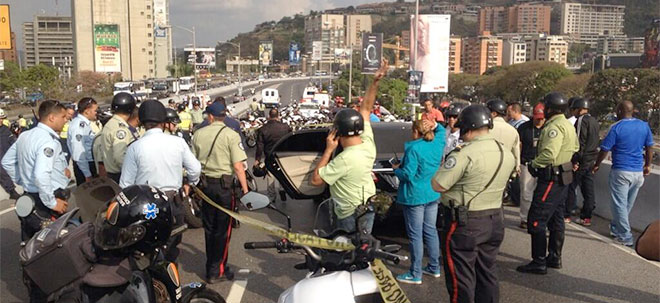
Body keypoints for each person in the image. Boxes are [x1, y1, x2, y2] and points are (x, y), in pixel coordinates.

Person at [432, 104, 516, 303]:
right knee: (487, 273)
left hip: (465, 222)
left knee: (460, 278)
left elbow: (438, 184)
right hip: (495, 219)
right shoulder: (505, 152)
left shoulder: (464, 153)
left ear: (469, 128)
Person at [310, 60, 388, 234]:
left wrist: (329, 150)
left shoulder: (344, 160)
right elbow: (366, 109)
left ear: (338, 131)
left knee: (346, 251)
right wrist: (375, 82)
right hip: (367, 207)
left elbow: (315, 181)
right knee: (363, 248)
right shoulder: (368, 145)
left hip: (347, 213)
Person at [120, 100, 201, 262]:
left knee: (147, 249)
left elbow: (125, 185)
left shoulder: (135, 147)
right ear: (164, 122)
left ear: (142, 122)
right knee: (171, 247)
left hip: (147, 206)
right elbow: (195, 169)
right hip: (174, 203)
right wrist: (189, 184)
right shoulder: (178, 142)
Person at [517, 92, 579, 275]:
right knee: (557, 219)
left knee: (537, 219)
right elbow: (575, 147)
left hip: (551, 177)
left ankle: (539, 261)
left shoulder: (554, 127)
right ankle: (554, 257)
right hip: (563, 177)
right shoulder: (567, 125)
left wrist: (534, 164)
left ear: (550, 109)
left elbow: (549, 154)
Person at [191, 102, 249, 283]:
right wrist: (246, 191)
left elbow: (192, 164)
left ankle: (211, 266)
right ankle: (218, 270)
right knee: (223, 231)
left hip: (205, 187)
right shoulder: (231, 136)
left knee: (209, 228)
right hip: (224, 188)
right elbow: (238, 167)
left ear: (209, 116)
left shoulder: (198, 134)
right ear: (224, 116)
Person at [1, 100, 70, 242]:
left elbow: (7, 162)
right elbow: (41, 174)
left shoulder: (25, 135)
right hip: (47, 199)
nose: (66, 120)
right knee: (53, 246)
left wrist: (22, 180)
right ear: (51, 117)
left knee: (30, 245)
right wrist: (52, 203)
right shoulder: (47, 141)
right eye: (63, 117)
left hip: (29, 196)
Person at [592, 100, 654, 247]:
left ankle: (625, 236)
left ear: (619, 111)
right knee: (626, 205)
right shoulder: (643, 126)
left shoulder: (616, 128)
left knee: (619, 205)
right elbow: (650, 147)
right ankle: (616, 229)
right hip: (638, 172)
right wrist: (648, 165)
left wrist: (596, 165)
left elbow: (605, 149)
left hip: (621, 171)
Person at [393, 119, 446, 285]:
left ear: (415, 132)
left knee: (415, 235)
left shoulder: (414, 148)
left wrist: (396, 169)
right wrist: (435, 125)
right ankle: (434, 266)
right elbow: (442, 132)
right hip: (432, 192)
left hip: (414, 195)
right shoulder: (437, 143)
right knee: (430, 230)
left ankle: (415, 273)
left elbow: (408, 174)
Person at [566, 98, 600, 226]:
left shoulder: (581, 121)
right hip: (591, 160)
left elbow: (579, 143)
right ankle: (586, 217)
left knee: (570, 186)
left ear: (578, 109)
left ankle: (567, 214)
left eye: (573, 109)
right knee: (588, 190)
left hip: (582, 160)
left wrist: (576, 160)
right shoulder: (594, 121)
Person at [487, 99, 521, 207]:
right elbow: (516, 154)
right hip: (504, 170)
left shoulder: (486, 128)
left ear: (493, 113)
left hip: (486, 168)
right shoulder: (513, 130)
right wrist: (514, 172)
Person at [517, 103, 546, 229]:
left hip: (543, 165)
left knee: (540, 193)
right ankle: (524, 218)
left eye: (541, 118)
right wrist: (517, 163)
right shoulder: (524, 128)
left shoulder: (548, 128)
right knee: (526, 192)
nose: (539, 121)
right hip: (526, 163)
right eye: (537, 118)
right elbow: (518, 146)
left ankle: (539, 218)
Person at [254, 108, 291, 202]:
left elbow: (260, 146)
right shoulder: (285, 127)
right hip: (283, 155)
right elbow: (291, 140)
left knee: (270, 175)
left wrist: (257, 159)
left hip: (270, 156)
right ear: (278, 116)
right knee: (283, 174)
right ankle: (283, 189)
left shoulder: (263, 129)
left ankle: (271, 196)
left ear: (269, 116)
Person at [67, 97, 99, 185]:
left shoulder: (85, 124)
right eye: (95, 110)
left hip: (89, 164)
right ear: (87, 111)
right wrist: (87, 174)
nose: (96, 113)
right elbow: (78, 151)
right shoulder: (78, 126)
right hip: (84, 166)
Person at [0, 109, 19, 199]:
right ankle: (11, 191)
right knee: (3, 172)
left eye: (2, 118)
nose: (1, 120)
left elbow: (13, 142)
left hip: (7, 156)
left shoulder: (5, 129)